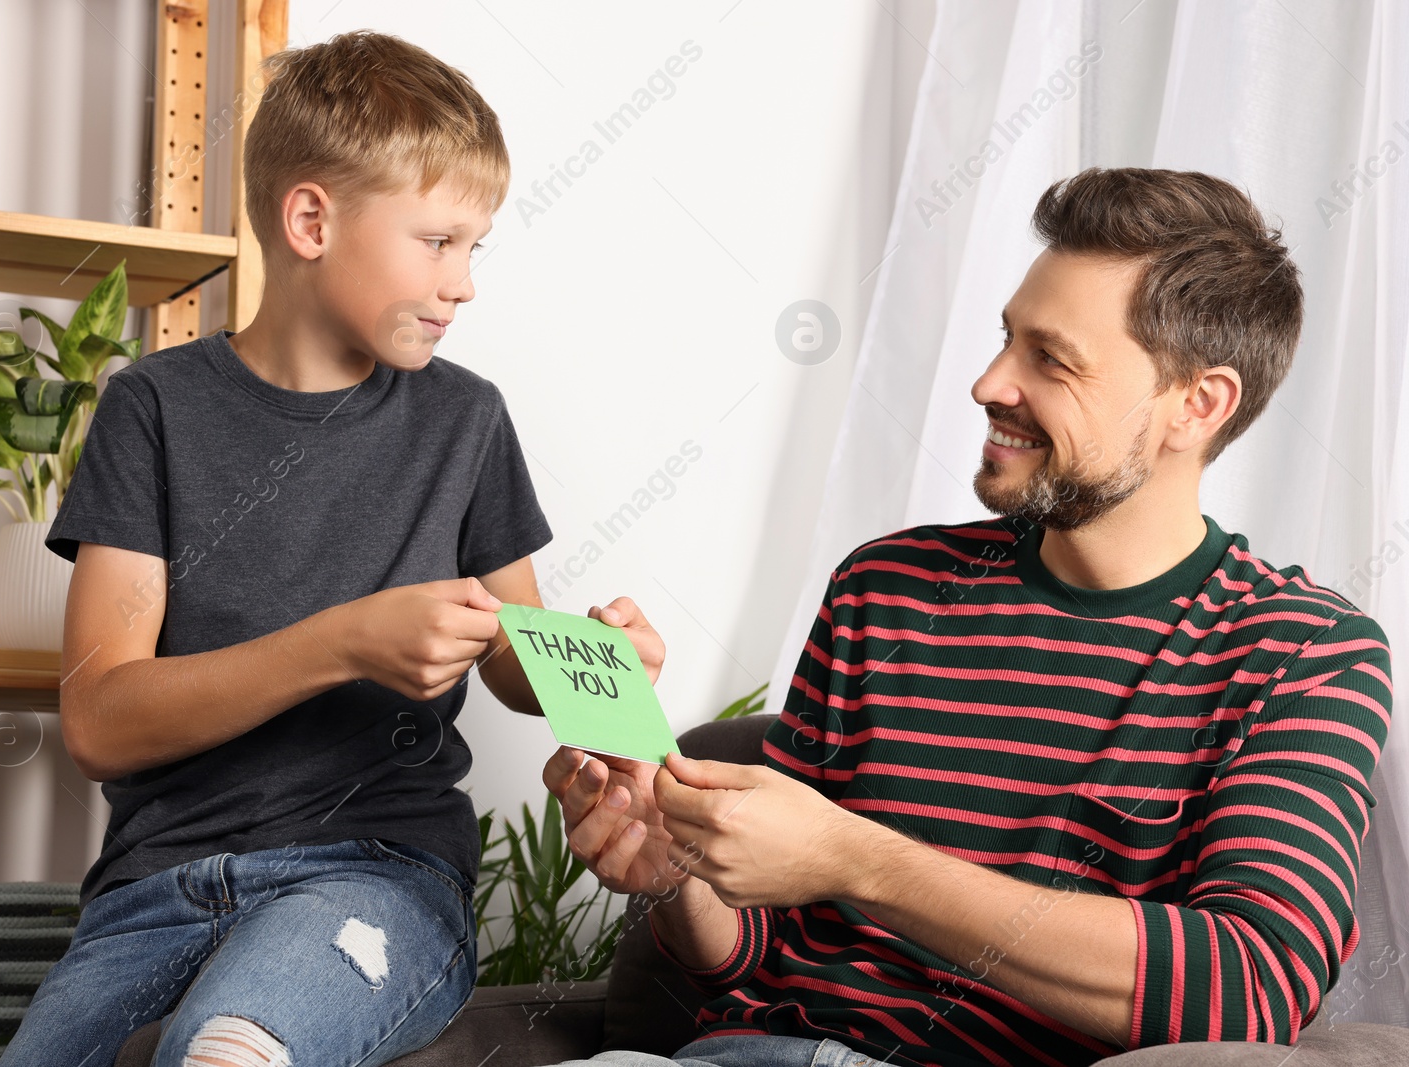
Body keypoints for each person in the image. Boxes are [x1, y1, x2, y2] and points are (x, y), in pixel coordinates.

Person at [546, 168, 1393, 1067]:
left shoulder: (1302, 653)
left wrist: (857, 859)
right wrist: (678, 876)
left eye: (1051, 358)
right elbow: (759, 949)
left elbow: (1251, 985)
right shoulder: (888, 585)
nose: (990, 383)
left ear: (1198, 404)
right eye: (1005, 340)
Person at [0, 31, 663, 1067]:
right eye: (438, 242)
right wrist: (346, 641)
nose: (465, 284)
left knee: (226, 1052)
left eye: (473, 247)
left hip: (376, 871)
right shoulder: (152, 409)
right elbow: (100, 719)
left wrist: (596, 660)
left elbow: (511, 652)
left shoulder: (466, 422)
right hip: (154, 889)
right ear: (311, 218)